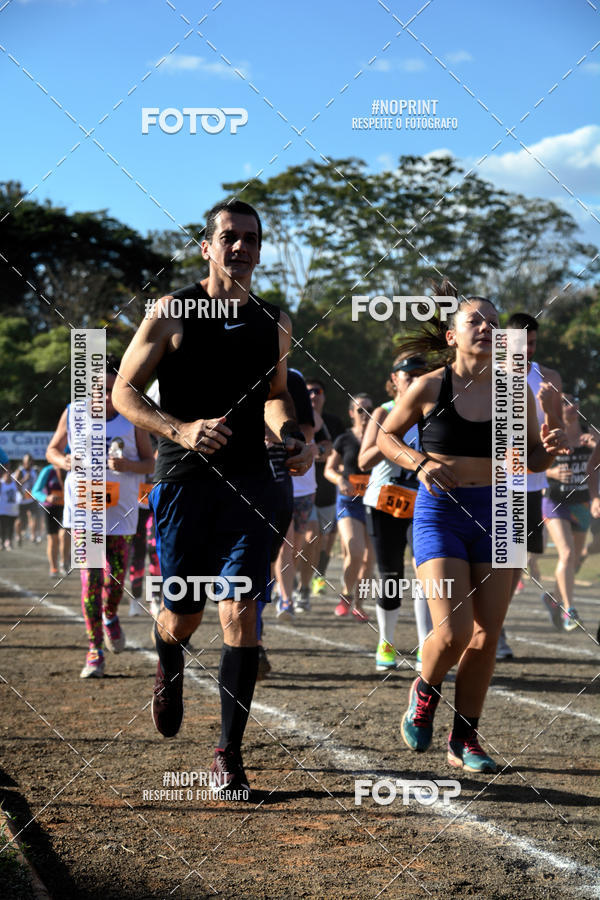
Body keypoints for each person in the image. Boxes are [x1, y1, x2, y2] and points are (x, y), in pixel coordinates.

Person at [112, 200, 313, 794]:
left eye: (251, 238)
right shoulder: (172, 311)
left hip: (254, 481)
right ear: (207, 246)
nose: (241, 247)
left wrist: (292, 433)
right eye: (229, 237)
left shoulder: (274, 319)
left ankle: (228, 754)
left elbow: (277, 395)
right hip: (184, 482)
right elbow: (124, 392)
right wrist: (181, 430)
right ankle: (168, 663)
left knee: (239, 610)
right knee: (183, 615)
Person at [376, 290, 565, 773]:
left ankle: (465, 738)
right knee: (455, 630)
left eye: (493, 323)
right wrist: (419, 462)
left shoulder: (513, 390)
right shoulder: (427, 387)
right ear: (452, 335)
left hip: (502, 511)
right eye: (474, 321)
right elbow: (385, 437)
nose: (486, 329)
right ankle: (424, 690)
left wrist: (554, 439)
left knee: (487, 635)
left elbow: (531, 461)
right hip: (441, 511)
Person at [46, 356, 154, 678]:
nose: (104, 397)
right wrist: (64, 462)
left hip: (119, 514)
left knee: (114, 580)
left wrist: (129, 467)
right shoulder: (74, 413)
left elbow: (151, 462)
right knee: (91, 579)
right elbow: (52, 449)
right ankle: (94, 651)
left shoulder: (131, 418)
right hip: (83, 512)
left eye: (110, 389)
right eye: (98, 390)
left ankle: (110, 615)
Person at [359, 354, 432, 671]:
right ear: (395, 378)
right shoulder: (383, 412)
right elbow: (364, 461)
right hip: (384, 501)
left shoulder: (433, 412)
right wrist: (391, 440)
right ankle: (385, 643)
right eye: (409, 375)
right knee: (389, 576)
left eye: (421, 374)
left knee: (426, 575)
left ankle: (425, 646)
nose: (415, 380)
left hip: (423, 502)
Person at [498, 312, 563, 659]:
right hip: (493, 484)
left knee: (514, 563)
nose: (529, 351)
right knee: (495, 561)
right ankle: (489, 629)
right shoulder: (487, 379)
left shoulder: (548, 379)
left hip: (531, 485)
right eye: (523, 344)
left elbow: (558, 435)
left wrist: (548, 410)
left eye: (534, 344)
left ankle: (496, 626)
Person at [540, 393, 593, 632]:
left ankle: (553, 598)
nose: (572, 406)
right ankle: (568, 611)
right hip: (555, 501)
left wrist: (596, 447)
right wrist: (551, 474)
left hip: (582, 502)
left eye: (574, 400)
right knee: (568, 552)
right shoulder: (550, 434)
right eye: (564, 402)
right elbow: (528, 465)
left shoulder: (591, 434)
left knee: (577, 558)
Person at [324, 394, 374, 621]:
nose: (365, 414)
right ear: (351, 413)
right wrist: (340, 480)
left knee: (369, 559)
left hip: (374, 502)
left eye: (369, 409)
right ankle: (346, 594)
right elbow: (329, 469)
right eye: (360, 410)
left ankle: (359, 604)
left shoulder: (380, 438)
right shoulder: (344, 439)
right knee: (354, 551)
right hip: (349, 502)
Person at [272, 368, 316, 618]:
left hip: (302, 484)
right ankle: (286, 598)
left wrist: (279, 437)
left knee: (297, 544)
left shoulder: (295, 379)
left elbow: (310, 433)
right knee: (285, 544)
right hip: (269, 479)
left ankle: (284, 587)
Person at [303, 378, 344, 596]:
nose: (312, 396)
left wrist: (315, 452)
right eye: (308, 392)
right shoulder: (298, 421)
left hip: (327, 490)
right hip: (302, 491)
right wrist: (320, 451)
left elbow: (336, 454)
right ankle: (299, 580)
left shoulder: (334, 422)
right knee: (308, 539)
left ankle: (319, 576)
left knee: (327, 538)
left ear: (323, 396)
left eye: (317, 391)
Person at [31, 462, 68, 576]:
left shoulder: (71, 468)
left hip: (66, 508)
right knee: (53, 539)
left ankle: (64, 562)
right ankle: (53, 568)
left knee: (64, 535)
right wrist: (47, 497)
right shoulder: (48, 470)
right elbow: (35, 491)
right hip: (50, 508)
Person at [14, 454, 39, 544]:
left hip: (31, 499)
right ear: (24, 462)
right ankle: (18, 535)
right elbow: (15, 484)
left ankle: (33, 535)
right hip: (21, 500)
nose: (30, 463)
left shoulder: (35, 471)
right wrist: (24, 479)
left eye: (31, 461)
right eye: (28, 461)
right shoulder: (20, 471)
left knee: (34, 518)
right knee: (20, 520)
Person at [0, 469, 19, 550]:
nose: (8, 476)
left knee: (10, 527)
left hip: (12, 511)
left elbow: (21, 490)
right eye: (6, 474)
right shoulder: (1, 484)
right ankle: (2, 542)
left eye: (9, 474)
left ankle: (9, 542)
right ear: (4, 476)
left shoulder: (14, 484)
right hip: (2, 510)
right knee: (2, 527)